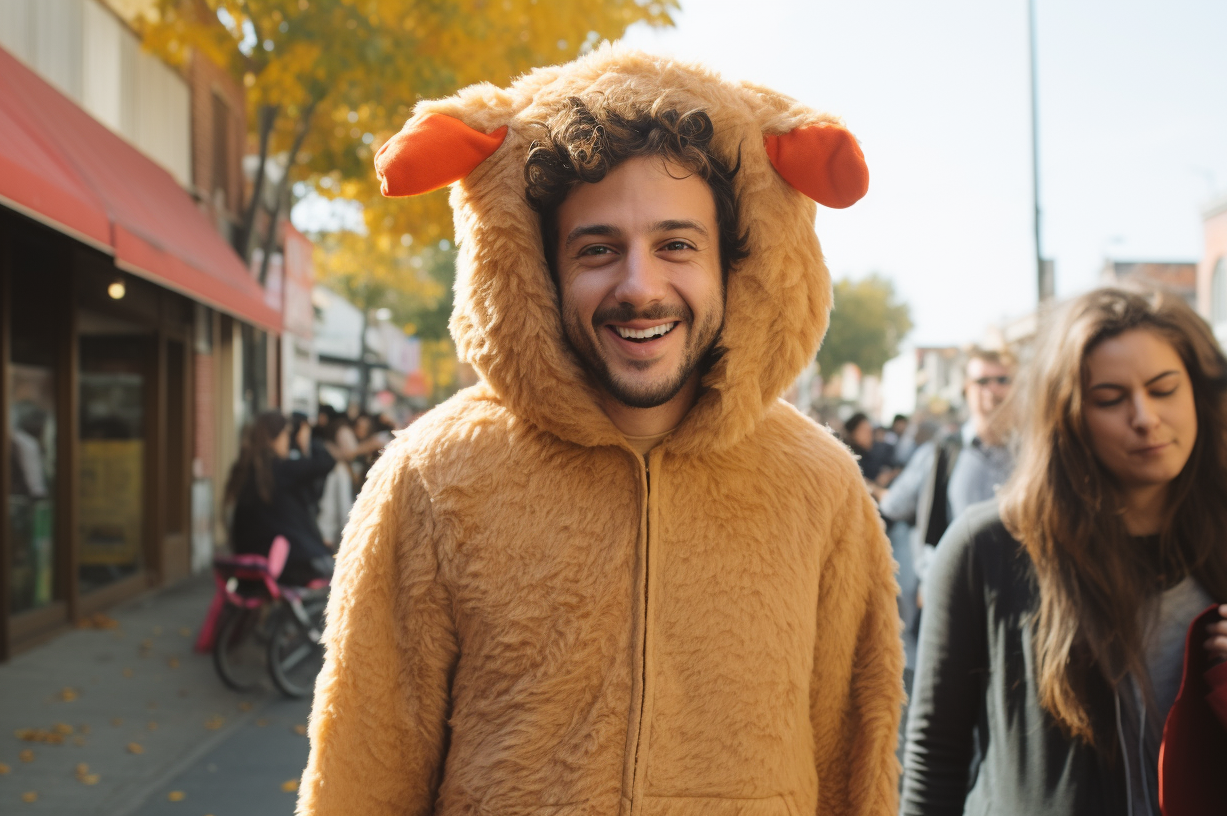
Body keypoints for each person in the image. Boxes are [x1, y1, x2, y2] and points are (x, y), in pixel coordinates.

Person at [298, 49, 903, 815]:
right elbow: (363, 778)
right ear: (543, 271)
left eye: (677, 245)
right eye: (598, 250)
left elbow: (853, 774)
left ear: (733, 265)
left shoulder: (820, 486)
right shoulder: (432, 477)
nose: (639, 287)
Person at [900, 288, 1227, 816]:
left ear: (1197, 394)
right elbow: (935, 757)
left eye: (1164, 388)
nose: (1145, 416)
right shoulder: (985, 548)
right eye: (1110, 398)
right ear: (1069, 416)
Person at [879, 347, 1015, 590]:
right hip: (955, 594)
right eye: (982, 381)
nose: (993, 389)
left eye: (1002, 380)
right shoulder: (940, 454)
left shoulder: (1036, 454)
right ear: (966, 388)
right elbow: (895, 506)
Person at [223, 411, 335, 587]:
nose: (288, 441)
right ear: (274, 438)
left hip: (250, 564)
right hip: (288, 564)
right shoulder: (281, 470)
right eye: (286, 435)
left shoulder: (245, 471)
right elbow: (326, 462)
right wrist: (306, 443)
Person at [314, 420, 359, 550]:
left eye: (351, 439)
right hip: (330, 537)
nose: (352, 445)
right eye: (345, 441)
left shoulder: (346, 469)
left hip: (330, 534)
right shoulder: (339, 470)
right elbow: (343, 508)